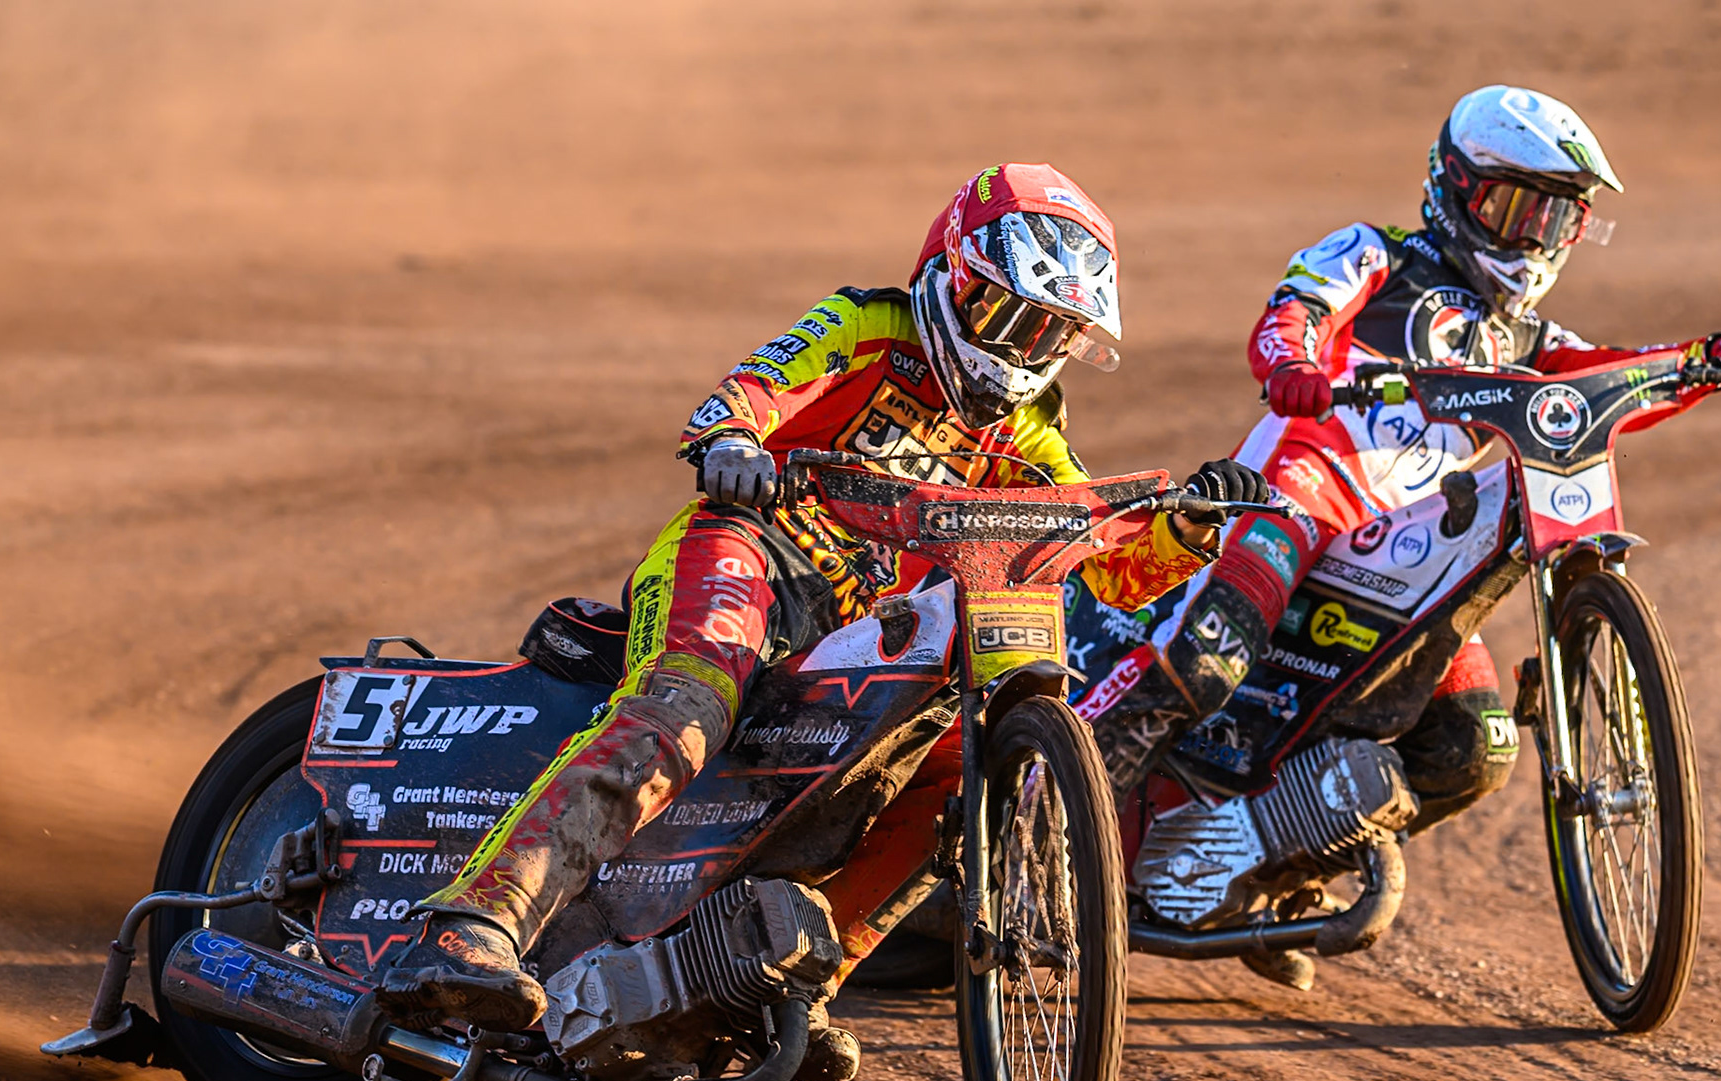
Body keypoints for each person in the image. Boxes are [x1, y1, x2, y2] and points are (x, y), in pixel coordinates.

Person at [376, 163, 1270, 1031]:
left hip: (853, 626)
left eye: (1049, 335)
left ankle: (793, 985)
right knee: (683, 710)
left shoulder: (1033, 427)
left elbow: (1093, 562)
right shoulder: (867, 324)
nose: (1020, 351)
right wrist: (732, 437)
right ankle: (473, 927)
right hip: (749, 551)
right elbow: (753, 389)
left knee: (953, 776)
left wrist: (1184, 532)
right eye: (1007, 315)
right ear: (951, 277)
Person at [1082, 85, 1721, 990]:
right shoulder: (1374, 255)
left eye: (1555, 219)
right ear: (1454, 189)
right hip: (1303, 489)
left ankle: (1269, 875)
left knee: (1473, 746)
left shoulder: (1523, 335)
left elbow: (1598, 384)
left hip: (1404, 546)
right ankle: (1044, 826)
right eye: (1515, 208)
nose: (1531, 236)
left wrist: (1706, 361)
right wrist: (1292, 365)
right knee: (1211, 658)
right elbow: (1294, 309)